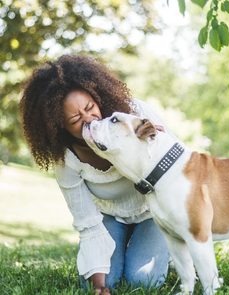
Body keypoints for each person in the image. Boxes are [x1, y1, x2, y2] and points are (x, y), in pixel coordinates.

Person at [20, 55, 170, 295]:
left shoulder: (133, 113)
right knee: (102, 282)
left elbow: (179, 171)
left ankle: (162, 249)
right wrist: (99, 284)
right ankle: (122, 243)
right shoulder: (66, 157)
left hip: (154, 211)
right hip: (109, 217)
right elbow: (87, 223)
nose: (89, 120)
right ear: (60, 128)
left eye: (90, 108)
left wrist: (158, 143)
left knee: (143, 281)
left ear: (98, 97)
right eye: (75, 120)